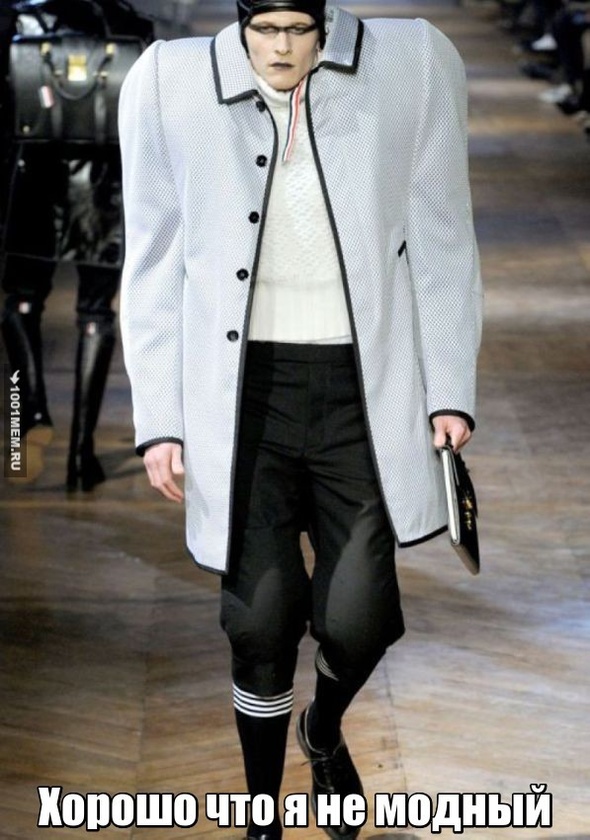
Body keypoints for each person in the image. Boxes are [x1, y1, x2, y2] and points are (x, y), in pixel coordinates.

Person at [118, 1, 482, 838]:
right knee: (259, 621)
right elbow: (153, 259)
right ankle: (261, 817)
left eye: (299, 30)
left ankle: (322, 728)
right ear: (240, 21)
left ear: (326, 23)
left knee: (358, 620)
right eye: (264, 31)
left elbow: (442, 235)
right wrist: (161, 418)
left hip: (366, 388)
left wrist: (449, 387)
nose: (281, 48)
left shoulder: (413, 64)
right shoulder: (169, 83)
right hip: (240, 397)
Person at [0, 0, 153, 487]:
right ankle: (82, 458)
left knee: (21, 303)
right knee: (95, 314)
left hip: (34, 173)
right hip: (105, 185)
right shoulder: (131, 25)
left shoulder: (21, 20)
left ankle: (30, 415)